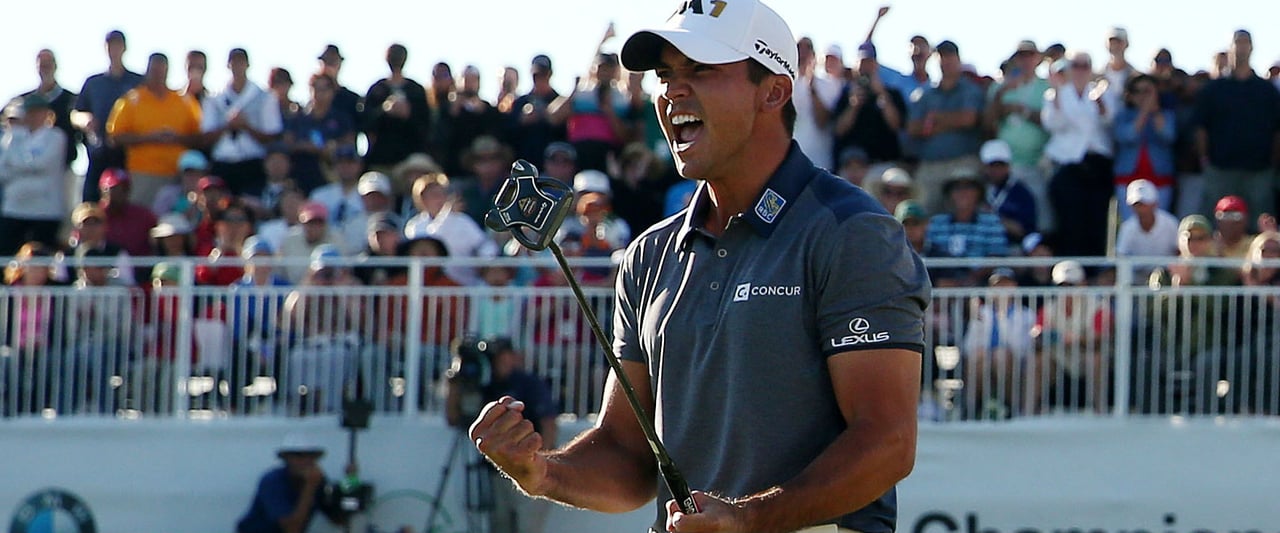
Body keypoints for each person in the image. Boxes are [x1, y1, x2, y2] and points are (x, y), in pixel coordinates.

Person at [467, 2, 931, 533]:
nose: (671, 92)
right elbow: (628, 457)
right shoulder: (647, 256)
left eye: (701, 70)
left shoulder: (852, 231)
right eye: (666, 75)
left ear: (774, 91)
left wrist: (752, 518)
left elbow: (887, 442)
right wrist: (541, 471)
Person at [445, 337, 559, 533]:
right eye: (495, 358)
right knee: (500, 527)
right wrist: (455, 383)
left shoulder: (528, 383)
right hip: (498, 471)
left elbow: (549, 424)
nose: (500, 362)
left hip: (530, 468)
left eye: (503, 356)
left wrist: (540, 463)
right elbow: (454, 418)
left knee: (528, 527)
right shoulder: (486, 385)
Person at [1193, 29, 1280, 227]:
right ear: (1230, 48)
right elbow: (1201, 128)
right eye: (1237, 42)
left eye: (1245, 42)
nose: (1241, 47)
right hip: (1219, 169)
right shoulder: (1214, 89)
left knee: (1260, 227)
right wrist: (1204, 159)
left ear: (1252, 48)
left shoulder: (1266, 91)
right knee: (1217, 225)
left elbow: (1277, 130)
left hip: (1259, 171)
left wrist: (1273, 162)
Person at [106, 52, 202, 209]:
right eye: (155, 71)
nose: (158, 75)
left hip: (176, 175)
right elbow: (115, 137)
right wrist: (149, 138)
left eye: (162, 70)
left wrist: (176, 138)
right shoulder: (132, 100)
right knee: (141, 219)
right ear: (147, 71)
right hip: (143, 173)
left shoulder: (183, 101)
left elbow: (199, 137)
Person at [907, 40, 985, 215]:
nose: (946, 61)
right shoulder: (925, 94)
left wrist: (934, 119)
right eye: (942, 56)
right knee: (920, 213)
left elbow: (968, 119)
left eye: (950, 56)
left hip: (962, 161)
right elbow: (913, 128)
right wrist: (950, 121)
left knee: (964, 213)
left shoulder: (970, 90)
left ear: (958, 59)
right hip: (930, 164)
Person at [200, 48, 284, 197]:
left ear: (247, 64)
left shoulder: (265, 97)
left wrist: (246, 126)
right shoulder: (214, 99)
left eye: (241, 62)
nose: (237, 66)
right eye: (234, 62)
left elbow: (272, 136)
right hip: (223, 162)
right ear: (228, 65)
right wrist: (228, 126)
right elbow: (206, 137)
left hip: (253, 163)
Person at [73, 30, 143, 203]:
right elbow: (76, 113)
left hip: (128, 154)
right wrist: (85, 120)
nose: (114, 49)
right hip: (99, 153)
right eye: (111, 45)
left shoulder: (138, 82)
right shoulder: (94, 83)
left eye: (118, 44)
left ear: (124, 47)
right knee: (91, 202)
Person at [0, 94, 69, 255]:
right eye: (29, 111)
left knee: (41, 257)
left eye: (37, 111)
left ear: (46, 113)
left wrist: (17, 165)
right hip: (14, 208)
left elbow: (42, 164)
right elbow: (3, 170)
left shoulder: (56, 136)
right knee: (6, 254)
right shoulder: (12, 137)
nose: (33, 115)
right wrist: (27, 164)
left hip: (45, 210)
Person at [235, 433, 345, 533]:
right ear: (286, 458)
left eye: (311, 456)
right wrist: (310, 487)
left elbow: (338, 519)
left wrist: (350, 482)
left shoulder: (318, 480)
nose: (305, 461)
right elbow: (291, 529)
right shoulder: (273, 481)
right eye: (298, 456)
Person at [1112, 74, 1177, 220]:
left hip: (1160, 179)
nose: (1143, 96)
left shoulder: (1166, 114)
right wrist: (1144, 113)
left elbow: (1168, 135)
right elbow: (1127, 136)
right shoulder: (1123, 115)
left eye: (1147, 91)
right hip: (1127, 179)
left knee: (1159, 224)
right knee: (1131, 223)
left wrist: (1155, 112)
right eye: (1138, 91)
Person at [362, 44, 430, 174]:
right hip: (381, 161)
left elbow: (426, 127)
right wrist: (385, 110)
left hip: (411, 162)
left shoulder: (416, 90)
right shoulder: (376, 90)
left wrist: (408, 114)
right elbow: (366, 124)